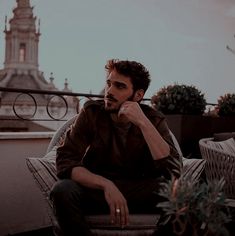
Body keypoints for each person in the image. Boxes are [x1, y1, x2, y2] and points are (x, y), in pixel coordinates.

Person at [50, 59, 182, 235]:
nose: (109, 91)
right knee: (62, 190)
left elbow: (173, 171)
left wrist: (143, 122)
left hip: (138, 190)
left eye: (119, 86)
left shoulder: (153, 119)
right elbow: (66, 161)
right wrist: (106, 185)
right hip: (98, 190)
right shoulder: (91, 113)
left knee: (178, 194)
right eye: (109, 84)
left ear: (138, 95)